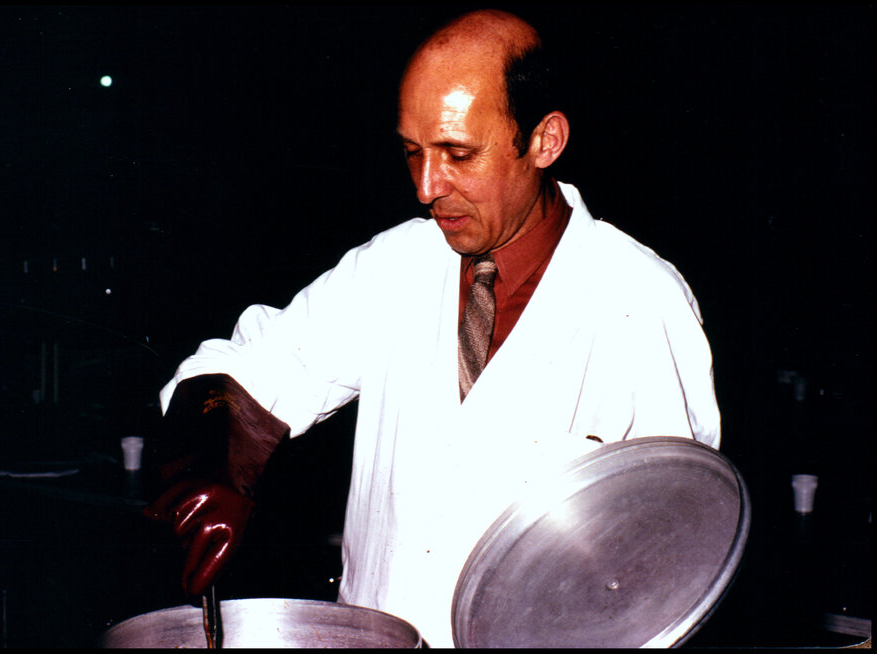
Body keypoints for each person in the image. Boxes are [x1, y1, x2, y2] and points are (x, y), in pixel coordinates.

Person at [144, 9, 720, 647]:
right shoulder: (395, 266)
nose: (425, 187)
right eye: (413, 152)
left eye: (458, 154)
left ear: (544, 140)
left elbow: (675, 556)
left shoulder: (640, 300)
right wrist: (209, 456)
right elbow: (249, 366)